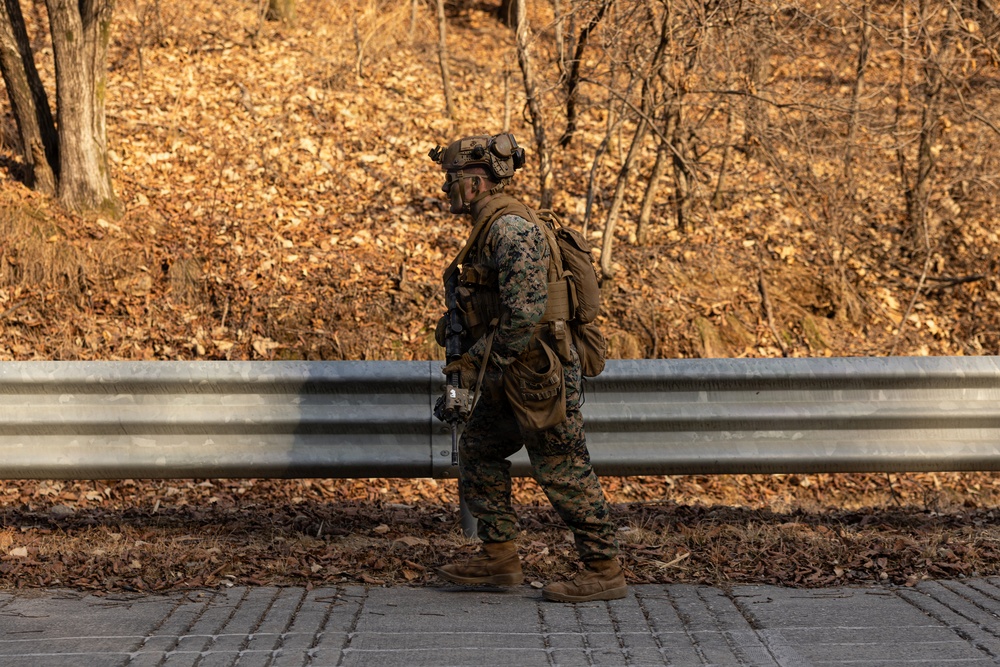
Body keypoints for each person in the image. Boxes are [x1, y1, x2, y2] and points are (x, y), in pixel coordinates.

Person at [429, 133, 626, 603]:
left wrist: (477, 366)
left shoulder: (509, 229)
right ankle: (499, 558)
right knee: (479, 448)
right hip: (512, 367)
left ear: (474, 183)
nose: (445, 190)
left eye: (450, 181)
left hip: (536, 369)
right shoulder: (491, 226)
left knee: (562, 465)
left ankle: (604, 569)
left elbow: (524, 312)